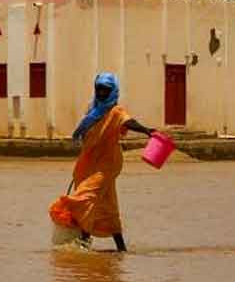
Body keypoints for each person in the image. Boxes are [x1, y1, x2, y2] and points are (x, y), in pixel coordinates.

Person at [49, 72, 155, 252]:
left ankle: (83, 243)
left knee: (84, 197)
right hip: (90, 161)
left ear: (112, 91)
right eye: (99, 89)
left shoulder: (116, 111)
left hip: (107, 164)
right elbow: (86, 132)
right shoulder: (92, 109)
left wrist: (146, 131)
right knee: (107, 205)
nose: (101, 93)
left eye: (106, 90)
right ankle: (121, 249)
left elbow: (128, 122)